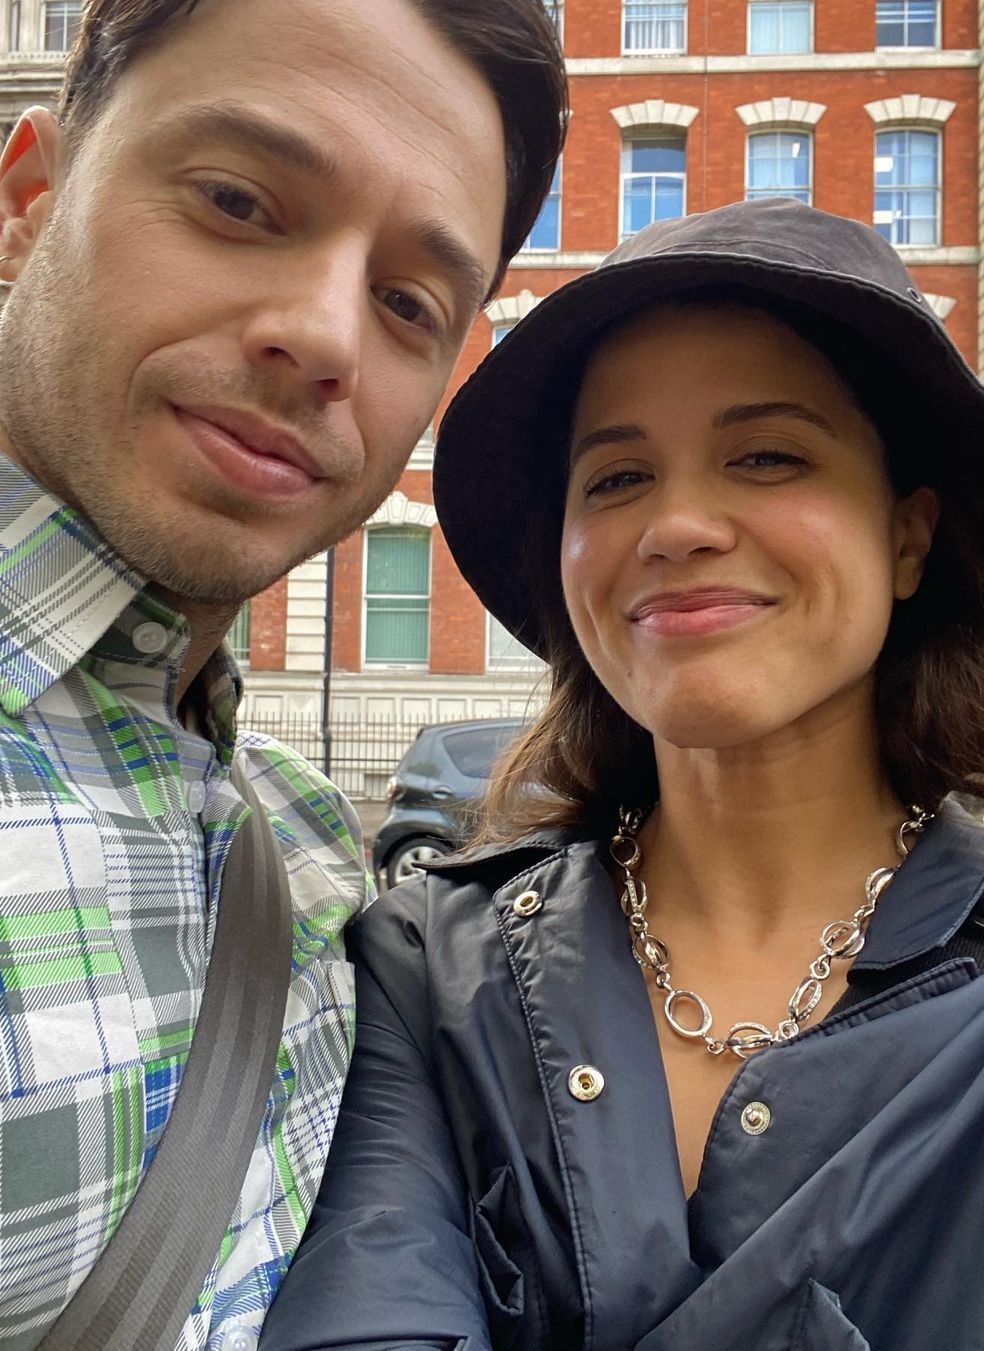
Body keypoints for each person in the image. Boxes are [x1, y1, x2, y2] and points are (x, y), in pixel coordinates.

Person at [261, 199, 984, 1351]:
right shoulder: (425, 968)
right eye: (615, 477)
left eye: (768, 455)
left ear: (906, 536)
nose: (679, 523)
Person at [0, 0, 565, 1344]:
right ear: (27, 203)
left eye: (409, 303)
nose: (324, 336)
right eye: (238, 201)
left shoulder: (308, 850)